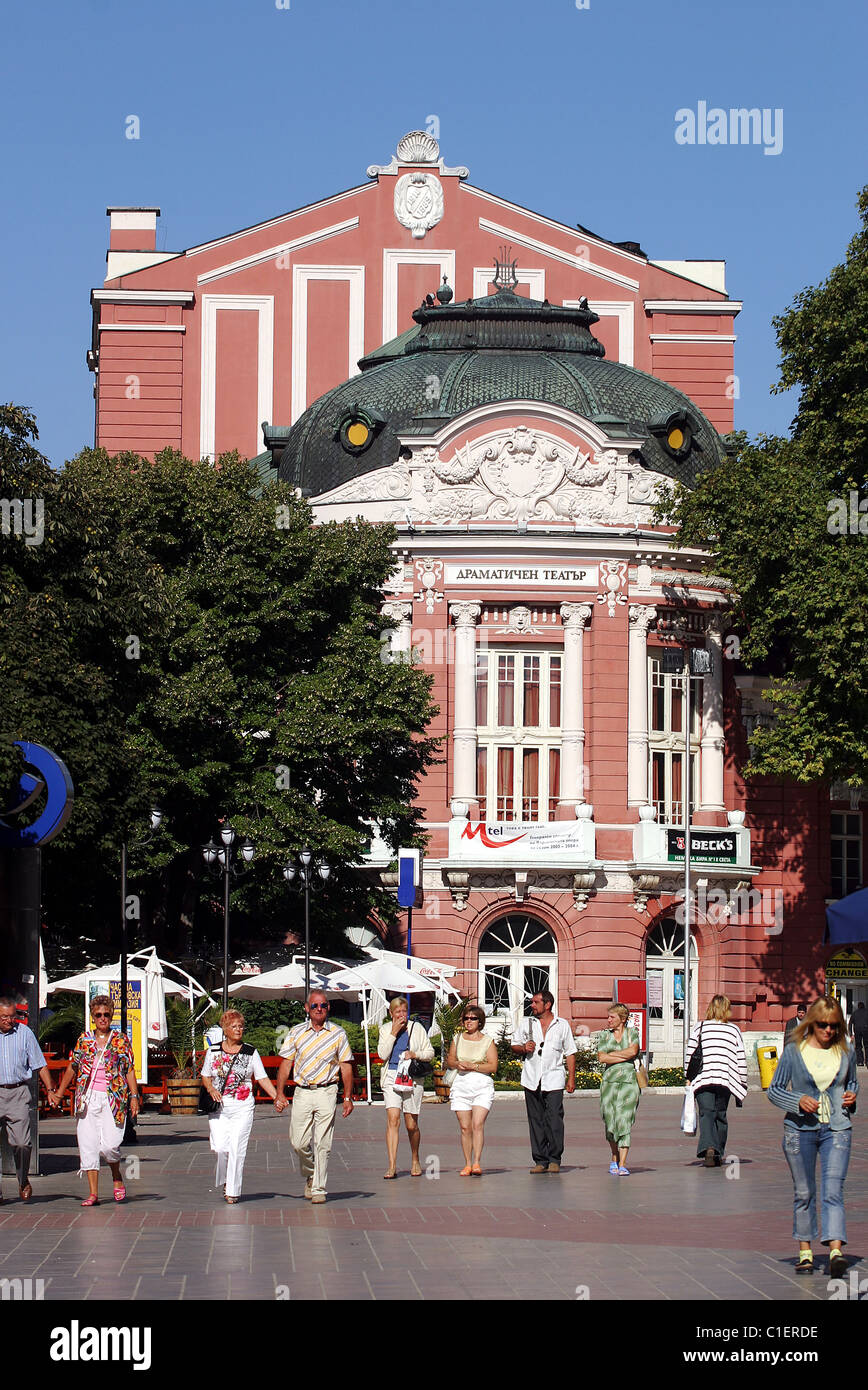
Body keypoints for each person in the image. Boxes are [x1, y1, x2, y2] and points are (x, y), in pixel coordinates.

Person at [768, 996, 858, 1276]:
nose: (828, 1031)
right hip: (799, 1129)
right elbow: (775, 1090)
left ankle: (835, 1252)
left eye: (833, 1026)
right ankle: (805, 1252)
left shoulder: (846, 1051)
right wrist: (798, 1101)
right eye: (822, 1025)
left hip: (837, 1128)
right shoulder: (795, 1051)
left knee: (833, 1190)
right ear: (811, 1023)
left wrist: (852, 1098)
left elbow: (852, 1081)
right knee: (804, 1191)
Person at [54, 995, 140, 1206]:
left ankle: (117, 1176)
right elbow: (72, 1067)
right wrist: (59, 1092)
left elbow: (128, 1069)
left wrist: (134, 1096)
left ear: (112, 1016)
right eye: (98, 1015)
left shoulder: (120, 1040)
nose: (102, 1018)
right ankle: (93, 1194)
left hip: (114, 1098)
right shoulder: (84, 1040)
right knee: (88, 1145)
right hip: (87, 1098)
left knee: (110, 1145)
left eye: (106, 1014)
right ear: (92, 1016)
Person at [275, 990, 354, 1204]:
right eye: (315, 1006)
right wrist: (280, 1093)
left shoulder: (338, 1033)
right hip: (302, 1091)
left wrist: (347, 1097)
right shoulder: (296, 1032)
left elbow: (346, 1066)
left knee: (323, 1142)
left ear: (328, 1008)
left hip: (327, 1090)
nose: (319, 1009)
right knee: (298, 1141)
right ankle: (310, 1172)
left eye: (324, 1006)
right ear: (306, 1008)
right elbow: (286, 1064)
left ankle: (319, 1187)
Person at [201, 1009, 280, 1203]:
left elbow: (261, 1077)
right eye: (234, 1026)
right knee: (220, 1147)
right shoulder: (213, 1051)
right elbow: (205, 1075)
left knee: (237, 1146)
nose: (238, 1030)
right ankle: (228, 1178)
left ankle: (233, 1190)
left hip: (243, 1106)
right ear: (225, 1029)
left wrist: (276, 1097)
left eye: (240, 1026)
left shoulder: (250, 1051)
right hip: (219, 1106)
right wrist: (211, 1089)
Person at [0, 995, 59, 1202]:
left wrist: (51, 1089)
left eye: (12, 1016)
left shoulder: (24, 1033)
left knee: (23, 1144)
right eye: (4, 1017)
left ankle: (23, 1178)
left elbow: (40, 1064)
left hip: (17, 1092)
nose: (9, 1020)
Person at [511, 990, 577, 1174]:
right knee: (536, 1120)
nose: (532, 1005)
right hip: (532, 1078)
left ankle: (555, 1158)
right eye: (532, 1002)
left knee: (554, 1118)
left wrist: (571, 1078)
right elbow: (514, 1044)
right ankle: (540, 1160)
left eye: (535, 1002)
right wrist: (523, 1048)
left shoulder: (561, 1025)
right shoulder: (527, 1023)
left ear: (547, 1004)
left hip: (554, 1079)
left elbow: (570, 1052)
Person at [684, 994, 748, 1167]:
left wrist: (687, 1077)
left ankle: (709, 1147)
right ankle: (718, 1150)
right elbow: (740, 1057)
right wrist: (742, 1080)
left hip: (703, 1079)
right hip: (725, 1080)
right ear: (727, 1009)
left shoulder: (700, 1027)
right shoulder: (733, 1030)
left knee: (706, 1113)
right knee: (720, 1114)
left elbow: (691, 1054)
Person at [376, 996, 435, 1179]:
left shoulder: (416, 1028)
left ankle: (415, 1158)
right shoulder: (385, 1029)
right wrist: (394, 1032)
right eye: (398, 1011)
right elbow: (382, 1054)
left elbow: (430, 1052)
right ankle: (392, 1165)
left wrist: (414, 1053)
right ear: (391, 1013)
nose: (401, 1014)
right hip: (392, 1076)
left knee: (411, 1124)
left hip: (411, 1077)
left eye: (404, 1011)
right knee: (393, 1119)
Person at [446, 1004, 498, 1176]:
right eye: (466, 1018)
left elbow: (493, 1066)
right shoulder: (458, 1038)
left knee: (477, 1124)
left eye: (473, 1018)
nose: (469, 1021)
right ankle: (467, 1163)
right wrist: (458, 1064)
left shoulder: (487, 1041)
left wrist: (474, 1066)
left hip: (481, 1085)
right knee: (464, 1126)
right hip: (461, 1084)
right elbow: (450, 1061)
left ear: (480, 1021)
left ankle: (477, 1162)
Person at [597, 1003, 640, 1175]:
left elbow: (634, 1051)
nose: (608, 1020)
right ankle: (614, 1155)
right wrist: (624, 1054)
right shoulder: (604, 1036)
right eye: (608, 1017)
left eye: (612, 1017)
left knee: (624, 1121)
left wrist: (612, 1056)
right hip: (609, 1083)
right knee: (610, 1122)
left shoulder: (632, 1033)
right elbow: (601, 1057)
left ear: (622, 1019)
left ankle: (622, 1164)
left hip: (629, 1083)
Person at [849, 1001, 868, 1067]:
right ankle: (867, 1061)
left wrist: (851, 1033)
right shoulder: (866, 1012)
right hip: (866, 1030)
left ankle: (860, 1061)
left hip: (857, 1031)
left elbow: (850, 1023)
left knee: (858, 1046)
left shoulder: (855, 1013)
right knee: (866, 1046)